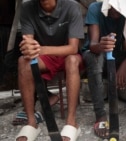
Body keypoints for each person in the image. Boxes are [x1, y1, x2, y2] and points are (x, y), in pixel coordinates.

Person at [15, 0, 84, 141]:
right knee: (23, 61)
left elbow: (73, 48)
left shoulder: (71, 6)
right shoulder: (27, 7)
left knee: (72, 60)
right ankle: (31, 122)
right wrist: (28, 48)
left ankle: (72, 122)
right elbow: (28, 43)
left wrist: (40, 49)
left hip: (67, 54)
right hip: (45, 57)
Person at [82, 0, 126, 139]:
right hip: (95, 53)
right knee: (95, 58)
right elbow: (93, 44)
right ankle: (101, 116)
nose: (117, 11)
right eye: (114, 7)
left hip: (115, 55)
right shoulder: (95, 8)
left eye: (121, 8)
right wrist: (102, 45)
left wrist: (125, 64)